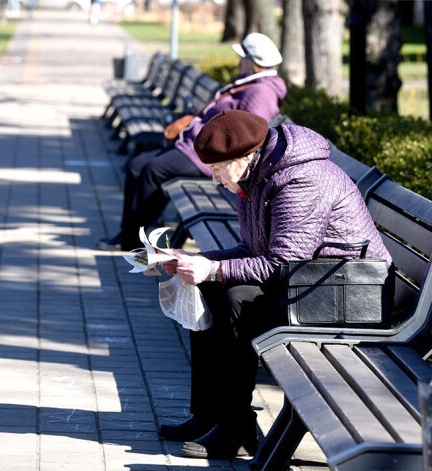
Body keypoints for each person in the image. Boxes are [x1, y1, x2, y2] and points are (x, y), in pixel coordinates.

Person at [156, 109, 392, 459]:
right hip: (310, 283)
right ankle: (210, 415)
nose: (217, 180)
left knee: (237, 299)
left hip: (346, 294)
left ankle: (236, 431)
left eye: (219, 169)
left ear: (246, 156)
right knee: (205, 287)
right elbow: (252, 251)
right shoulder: (256, 178)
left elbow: (283, 261)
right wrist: (194, 260)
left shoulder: (301, 179)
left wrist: (213, 269)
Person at [96, 32, 287, 251]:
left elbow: (251, 136)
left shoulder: (261, 91)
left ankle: (130, 238)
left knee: (152, 170)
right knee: (137, 166)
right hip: (196, 147)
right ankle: (128, 233)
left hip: (211, 158)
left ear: (255, 64)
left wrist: (220, 156)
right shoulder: (252, 84)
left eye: (243, 58)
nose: (239, 62)